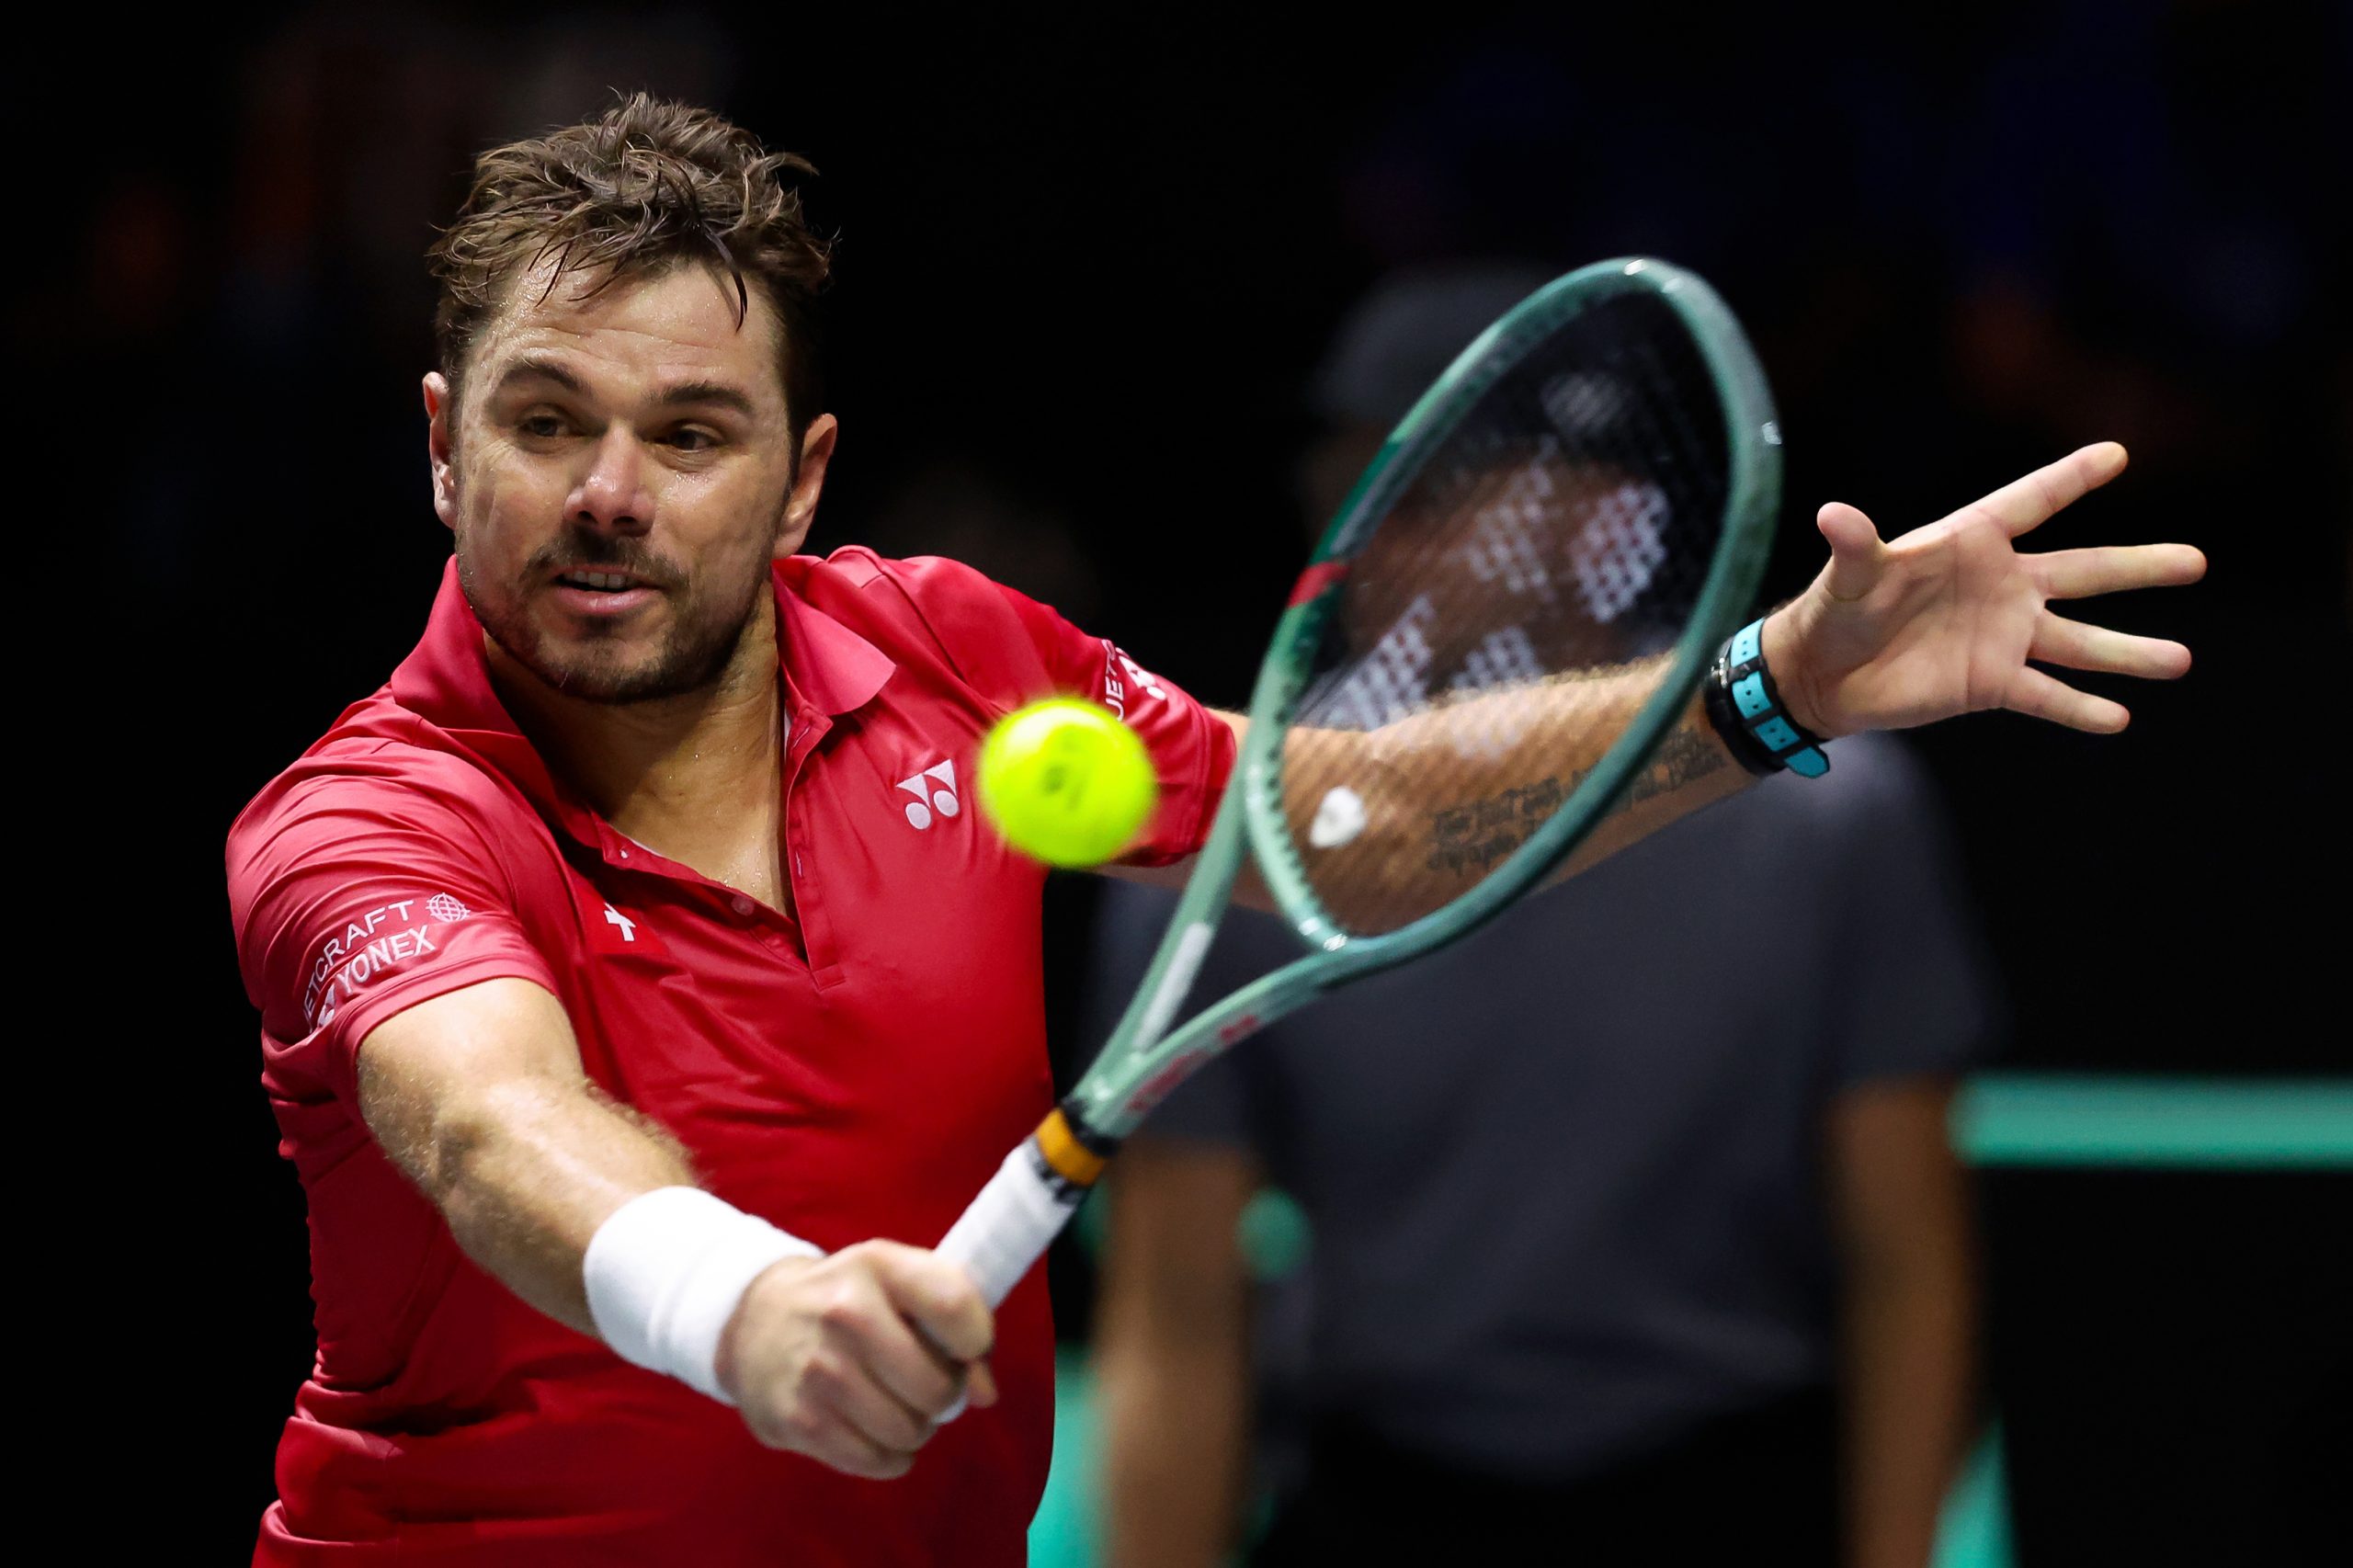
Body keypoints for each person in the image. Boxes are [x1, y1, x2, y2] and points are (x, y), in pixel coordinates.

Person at [222, 97, 2203, 1566]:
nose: (607, 493)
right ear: (435, 440)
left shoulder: (946, 654)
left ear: (800, 475)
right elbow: (490, 1128)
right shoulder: (370, 818)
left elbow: (1337, 816)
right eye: (544, 419)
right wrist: (740, 1304)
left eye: (687, 432)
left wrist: (1776, 682)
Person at [1089, 267, 1996, 1568]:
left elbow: (1908, 1261)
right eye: (1346, 469)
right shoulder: (1244, 826)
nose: (1358, 531)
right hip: (1383, 1494)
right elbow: (1176, 1315)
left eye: (1429, 487)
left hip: (1736, 1487)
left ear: (1601, 514)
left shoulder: (1837, 817)